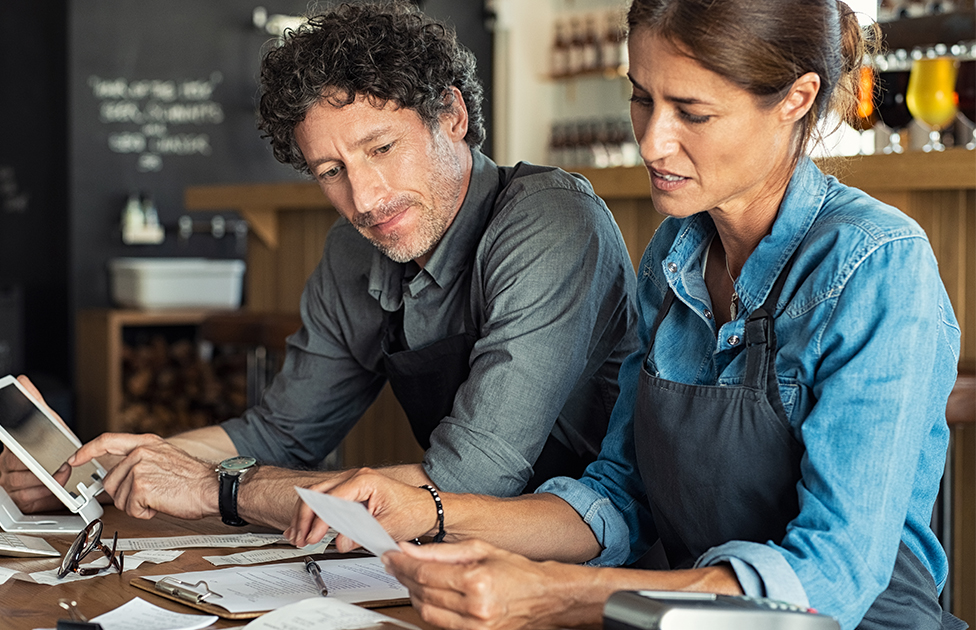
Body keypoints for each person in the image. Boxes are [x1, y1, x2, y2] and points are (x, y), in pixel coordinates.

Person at [286, 1, 963, 629]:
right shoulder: (675, 252)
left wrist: (555, 593)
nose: (651, 142)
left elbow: (834, 575)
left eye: (691, 112)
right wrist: (431, 513)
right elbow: (618, 495)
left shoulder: (876, 264)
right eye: (642, 98)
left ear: (796, 99)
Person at [0, 2, 638, 532]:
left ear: (452, 115)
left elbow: (466, 482)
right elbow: (281, 432)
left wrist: (217, 490)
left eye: (381, 148)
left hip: (600, 553)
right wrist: (101, 473)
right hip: (462, 559)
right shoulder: (353, 250)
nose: (364, 198)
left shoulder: (551, 223)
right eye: (331, 172)